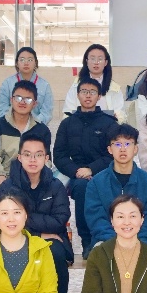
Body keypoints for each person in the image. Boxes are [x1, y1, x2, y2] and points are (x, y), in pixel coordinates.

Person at [3, 133, 75, 293]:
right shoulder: (8, 187)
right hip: (15, 239)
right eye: (27, 154)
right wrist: (38, 234)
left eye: (38, 155)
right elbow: (3, 220)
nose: (33, 160)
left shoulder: (56, 186)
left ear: (47, 158)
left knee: (56, 252)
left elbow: (60, 219)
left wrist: (24, 219)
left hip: (51, 241)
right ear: (19, 157)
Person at [53, 79, 119, 256]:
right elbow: (59, 155)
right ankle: (87, 241)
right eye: (84, 91)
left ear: (99, 96)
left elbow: (114, 153)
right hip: (77, 174)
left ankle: (106, 238)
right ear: (78, 95)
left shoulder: (109, 123)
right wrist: (76, 171)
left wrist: (91, 169)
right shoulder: (67, 123)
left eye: (92, 92)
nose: (88, 95)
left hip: (104, 172)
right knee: (83, 187)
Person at [85, 124, 147, 255]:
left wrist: (134, 242)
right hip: (106, 241)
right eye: (117, 144)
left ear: (136, 149)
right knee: (99, 255)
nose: (122, 149)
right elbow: (96, 219)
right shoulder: (96, 183)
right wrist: (117, 242)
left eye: (127, 144)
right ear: (109, 149)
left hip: (143, 240)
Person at [0, 80, 52, 193]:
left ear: (35, 104)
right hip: (6, 178)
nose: (22, 102)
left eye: (28, 99)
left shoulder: (42, 130)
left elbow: (47, 161)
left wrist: (35, 178)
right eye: (18, 98)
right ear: (11, 100)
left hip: (34, 178)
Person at [0, 46, 55, 126]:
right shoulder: (7, 84)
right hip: (10, 128)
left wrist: (32, 126)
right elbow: (2, 110)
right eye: (22, 60)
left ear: (35, 63)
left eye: (30, 60)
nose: (26, 63)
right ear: (17, 63)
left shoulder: (45, 86)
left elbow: (46, 113)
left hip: (36, 128)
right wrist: (14, 125)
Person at [63, 42, 126, 117]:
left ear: (106, 62)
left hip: (107, 123)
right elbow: (68, 111)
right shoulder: (76, 85)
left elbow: (121, 114)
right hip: (81, 123)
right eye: (92, 59)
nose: (96, 63)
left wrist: (116, 117)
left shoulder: (114, 88)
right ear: (87, 61)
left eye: (100, 59)